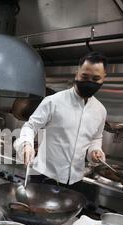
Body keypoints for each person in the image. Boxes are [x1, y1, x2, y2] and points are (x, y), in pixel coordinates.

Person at [14, 51, 108, 186]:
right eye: (85, 76)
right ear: (77, 74)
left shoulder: (100, 111)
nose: (89, 82)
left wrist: (95, 151)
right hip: (43, 176)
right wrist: (26, 144)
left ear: (103, 78)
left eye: (95, 79)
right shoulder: (53, 101)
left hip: (75, 181)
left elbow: (96, 138)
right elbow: (31, 126)